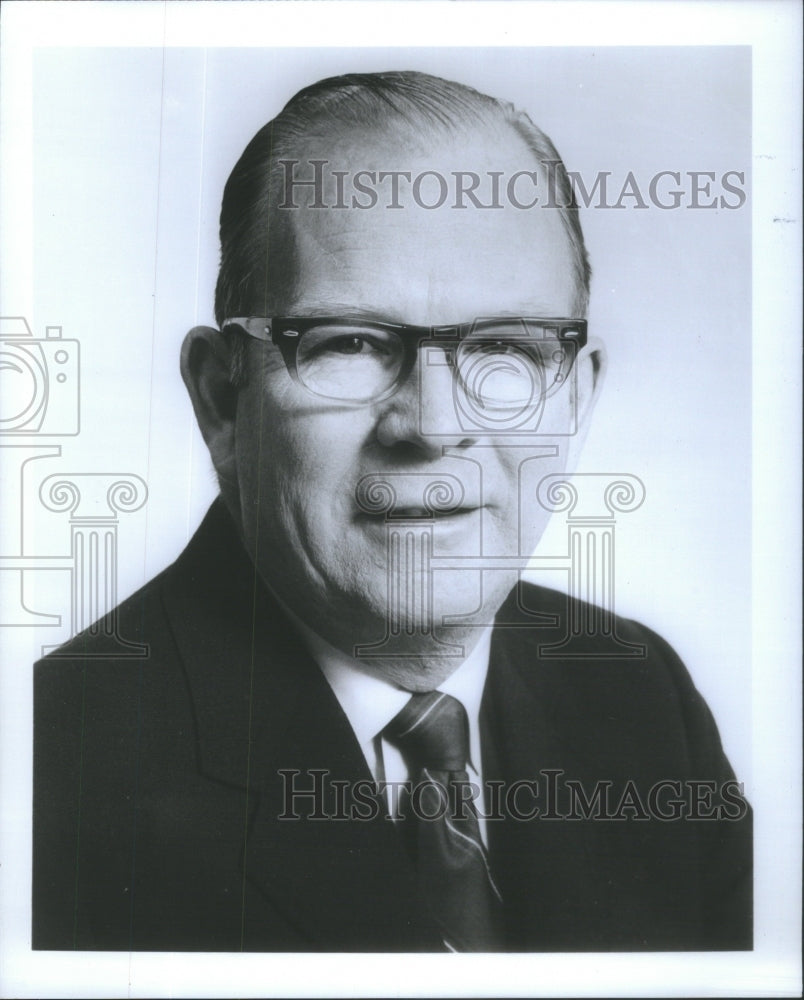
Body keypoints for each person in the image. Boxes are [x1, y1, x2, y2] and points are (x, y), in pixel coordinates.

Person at [32, 70, 751, 952]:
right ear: (223, 400)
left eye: (504, 350)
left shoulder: (642, 698)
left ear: (576, 400)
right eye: (353, 344)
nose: (435, 426)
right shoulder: (45, 774)